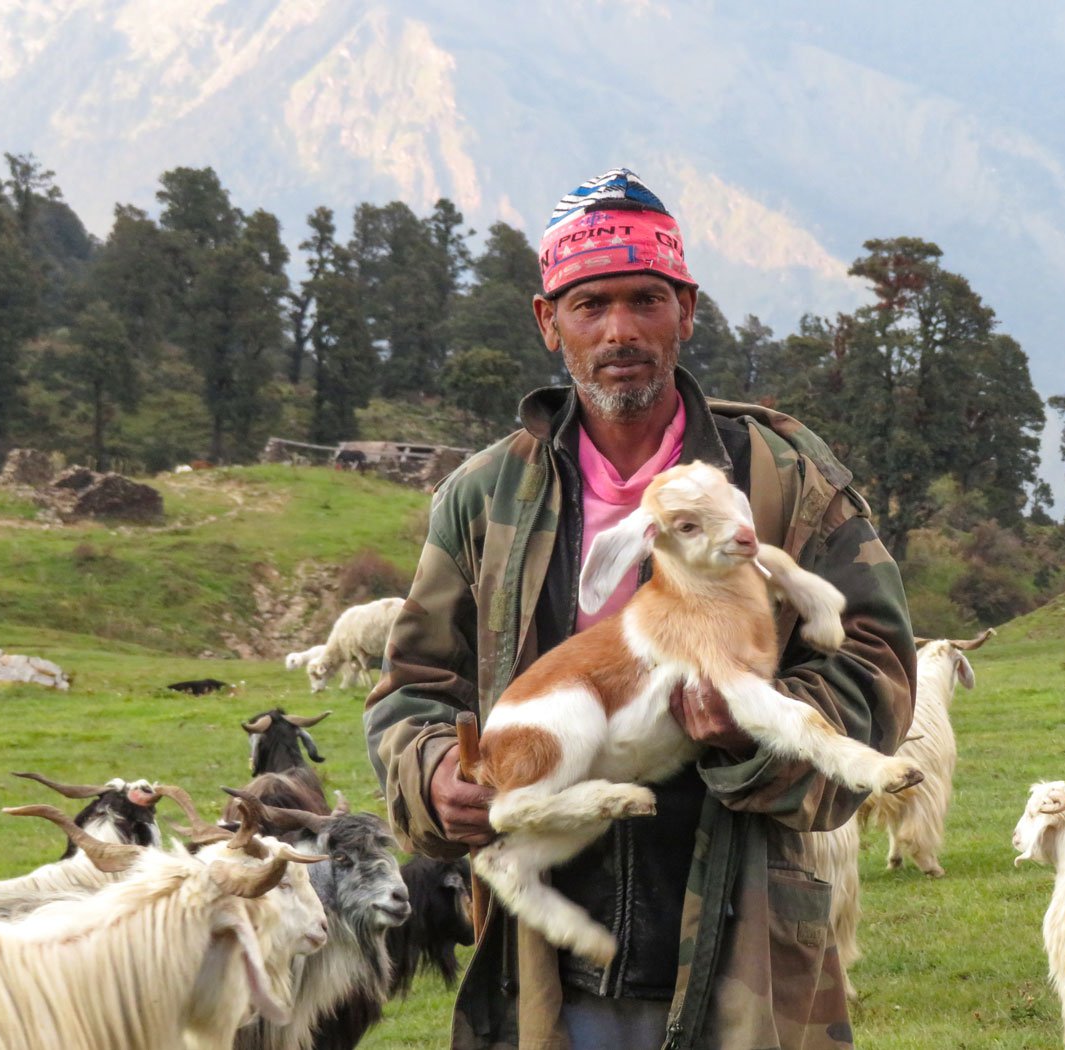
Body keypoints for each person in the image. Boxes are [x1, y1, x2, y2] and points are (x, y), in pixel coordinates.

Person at [364, 168, 916, 1050]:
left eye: (645, 300)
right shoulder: (485, 496)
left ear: (686, 311)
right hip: (538, 978)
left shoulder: (780, 478)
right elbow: (412, 688)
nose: (620, 330)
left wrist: (749, 735)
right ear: (549, 321)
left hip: (749, 965)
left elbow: (878, 670)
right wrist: (434, 774)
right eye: (590, 306)